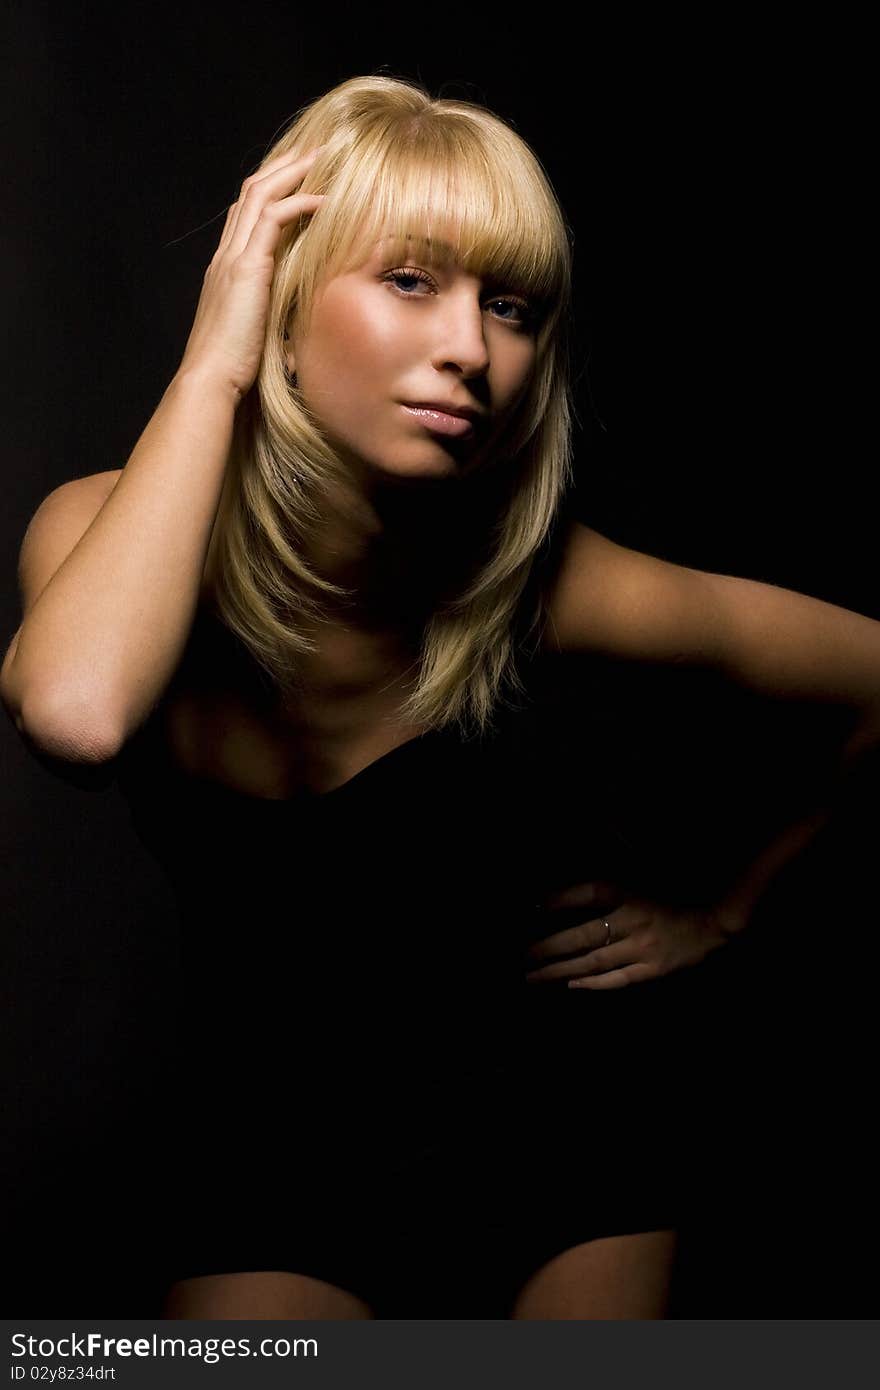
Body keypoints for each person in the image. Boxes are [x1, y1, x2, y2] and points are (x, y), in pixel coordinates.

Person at [3, 73, 879, 1320]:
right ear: (283, 298)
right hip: (268, 1137)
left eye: (510, 306)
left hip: (561, 1124)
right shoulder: (95, 528)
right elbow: (76, 714)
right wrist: (215, 367)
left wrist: (724, 911)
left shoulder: (553, 586)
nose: (470, 349)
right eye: (410, 281)